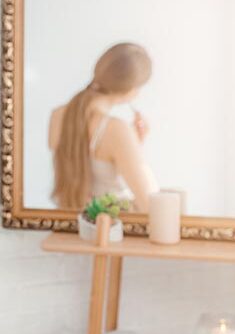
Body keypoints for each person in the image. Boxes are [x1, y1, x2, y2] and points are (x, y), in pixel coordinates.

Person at [48, 42, 159, 212]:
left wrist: (135, 144)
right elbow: (149, 207)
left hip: (72, 227)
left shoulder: (57, 116)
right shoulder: (117, 130)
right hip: (113, 232)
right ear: (131, 88)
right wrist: (134, 147)